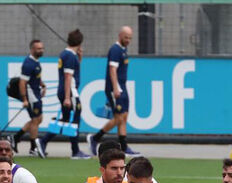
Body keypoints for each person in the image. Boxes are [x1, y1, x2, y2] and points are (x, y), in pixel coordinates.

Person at [36, 29, 91, 160]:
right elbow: (68, 76)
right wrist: (67, 97)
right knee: (74, 120)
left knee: (66, 120)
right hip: (70, 92)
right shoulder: (70, 56)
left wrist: (80, 58)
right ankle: (74, 151)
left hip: (65, 91)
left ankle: (44, 141)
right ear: (80, 42)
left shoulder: (65, 54)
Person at [88, 26, 139, 157]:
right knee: (119, 117)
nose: (128, 40)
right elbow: (112, 69)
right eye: (126, 37)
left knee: (124, 116)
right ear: (120, 36)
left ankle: (123, 146)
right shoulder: (115, 50)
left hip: (122, 85)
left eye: (130, 38)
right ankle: (95, 138)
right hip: (115, 87)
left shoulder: (123, 50)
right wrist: (115, 87)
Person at [12, 39, 46, 156]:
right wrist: (25, 99)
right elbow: (22, 82)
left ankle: (16, 137)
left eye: (42, 48)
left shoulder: (35, 61)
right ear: (32, 49)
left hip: (36, 94)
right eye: (38, 48)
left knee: (37, 119)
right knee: (36, 120)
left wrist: (42, 84)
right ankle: (33, 148)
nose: (41, 50)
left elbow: (35, 77)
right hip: (32, 96)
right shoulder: (28, 64)